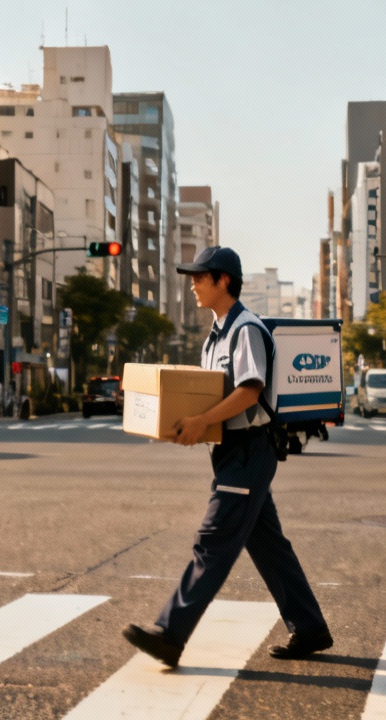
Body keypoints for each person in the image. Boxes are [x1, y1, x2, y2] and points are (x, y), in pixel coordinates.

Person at [122, 246, 332, 668]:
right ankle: (309, 627)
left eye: (200, 277)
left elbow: (250, 390)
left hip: (250, 450)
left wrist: (201, 421)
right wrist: (190, 426)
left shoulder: (245, 329)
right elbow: (213, 396)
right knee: (268, 545)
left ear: (223, 281)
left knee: (214, 541)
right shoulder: (215, 336)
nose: (193, 285)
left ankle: (171, 633)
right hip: (230, 450)